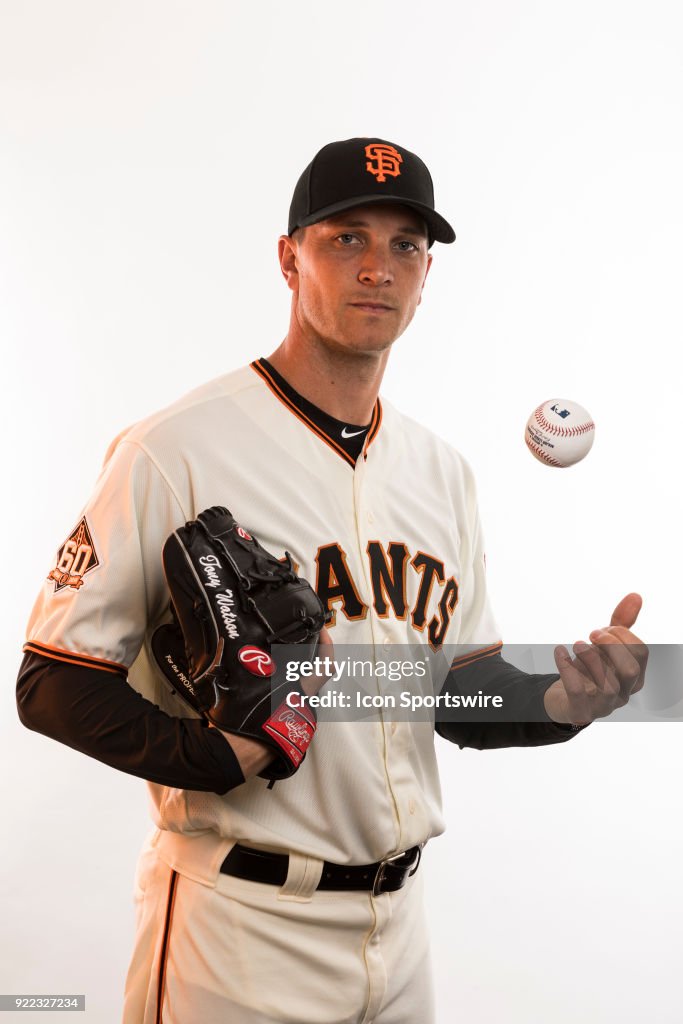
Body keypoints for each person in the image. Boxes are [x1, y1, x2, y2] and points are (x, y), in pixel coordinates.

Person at [16, 137, 648, 1024]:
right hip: (238, 928)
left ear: (426, 277)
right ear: (289, 258)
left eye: (404, 246)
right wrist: (205, 757)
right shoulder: (174, 448)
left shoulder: (442, 472)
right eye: (346, 238)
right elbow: (51, 680)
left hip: (401, 935)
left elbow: (458, 693)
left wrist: (562, 701)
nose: (377, 269)